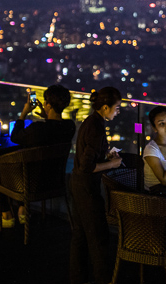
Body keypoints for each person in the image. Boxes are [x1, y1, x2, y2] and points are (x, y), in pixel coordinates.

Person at [0, 84, 76, 228]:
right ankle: (23, 211)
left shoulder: (38, 129)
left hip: (31, 184)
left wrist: (24, 113)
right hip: (55, 181)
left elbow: (15, 137)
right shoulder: (70, 126)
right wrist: (46, 116)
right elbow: (53, 128)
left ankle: (6, 216)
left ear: (47, 104)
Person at [69, 86, 123, 284]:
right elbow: (86, 166)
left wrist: (105, 156)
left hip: (77, 184)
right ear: (106, 107)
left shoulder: (92, 121)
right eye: (117, 108)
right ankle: (103, 278)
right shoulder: (97, 127)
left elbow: (87, 158)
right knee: (98, 238)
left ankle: (78, 277)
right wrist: (113, 163)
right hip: (86, 188)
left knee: (81, 236)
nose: (118, 112)